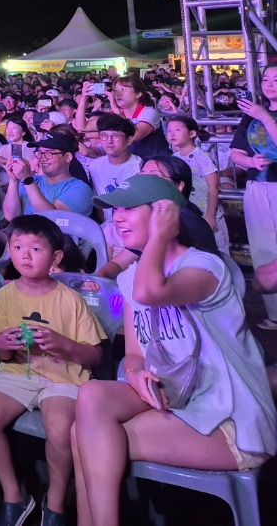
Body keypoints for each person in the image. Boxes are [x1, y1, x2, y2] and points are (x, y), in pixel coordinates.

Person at [75, 176, 277, 526]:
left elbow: (151, 292)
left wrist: (160, 236)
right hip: (178, 401)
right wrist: (137, 375)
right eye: (115, 210)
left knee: (86, 439)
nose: (117, 218)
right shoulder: (130, 277)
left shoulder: (205, 267)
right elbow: (134, 353)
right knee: (92, 396)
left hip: (232, 421)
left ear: (164, 214)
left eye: (128, 208)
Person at [0, 215, 104, 526]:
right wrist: (1, 343)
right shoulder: (4, 295)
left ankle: (55, 502)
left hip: (64, 377)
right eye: (18, 247)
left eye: (35, 249)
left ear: (55, 257)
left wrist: (63, 344)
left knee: (59, 428)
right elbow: (0, 351)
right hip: (17, 372)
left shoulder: (71, 300)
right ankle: (13, 495)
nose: (25, 255)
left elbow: (95, 355)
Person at [230, 64, 277, 329]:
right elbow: (236, 152)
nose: (270, 84)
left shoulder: (259, 113)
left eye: (276, 79)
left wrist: (265, 116)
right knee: (263, 248)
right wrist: (251, 162)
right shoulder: (251, 115)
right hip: (258, 187)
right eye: (266, 79)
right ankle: (275, 314)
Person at [164, 116, 225, 252]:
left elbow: (213, 186)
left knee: (216, 251)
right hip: (187, 214)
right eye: (169, 130)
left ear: (192, 133)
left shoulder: (201, 156)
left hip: (206, 211)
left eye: (177, 130)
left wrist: (210, 215)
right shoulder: (174, 158)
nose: (172, 134)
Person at [2, 134, 94, 221]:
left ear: (67, 157)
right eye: (39, 153)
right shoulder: (33, 181)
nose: (42, 158)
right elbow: (11, 216)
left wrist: (27, 180)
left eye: (49, 153)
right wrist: (14, 180)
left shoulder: (80, 188)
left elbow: (52, 219)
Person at [83, 114, 142, 198]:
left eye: (115, 136)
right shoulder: (95, 165)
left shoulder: (140, 166)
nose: (109, 141)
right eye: (104, 135)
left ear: (129, 140)